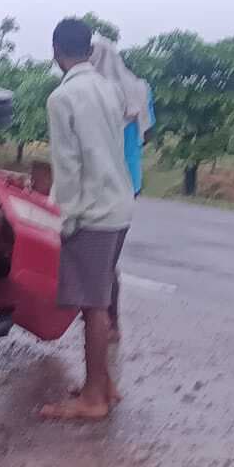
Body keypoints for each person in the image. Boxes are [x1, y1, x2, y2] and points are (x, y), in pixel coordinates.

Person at [40, 19, 135, 421]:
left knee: (92, 306)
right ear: (90, 51)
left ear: (56, 50)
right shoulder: (109, 89)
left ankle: (93, 397)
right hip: (118, 206)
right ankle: (105, 383)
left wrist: (66, 220)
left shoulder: (62, 98)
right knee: (101, 296)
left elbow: (68, 165)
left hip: (91, 213)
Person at [88, 37, 154, 340]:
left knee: (99, 256)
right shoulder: (141, 88)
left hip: (103, 181)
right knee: (110, 253)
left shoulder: (94, 92)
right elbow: (147, 132)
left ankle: (105, 321)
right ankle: (106, 318)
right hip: (132, 180)